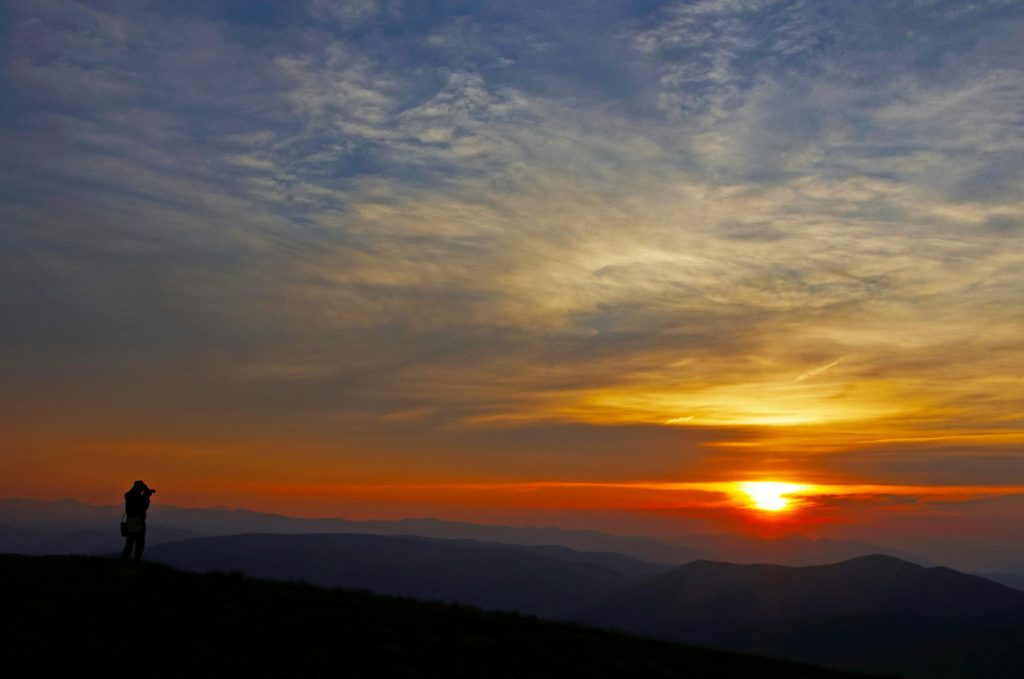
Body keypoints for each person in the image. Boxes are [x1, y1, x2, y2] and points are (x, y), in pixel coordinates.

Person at [121, 480, 155, 565]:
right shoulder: (136, 496)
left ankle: (124, 559)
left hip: (131, 521)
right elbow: (144, 507)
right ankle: (136, 560)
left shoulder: (130, 495)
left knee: (130, 542)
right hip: (137, 521)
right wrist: (146, 496)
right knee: (139, 543)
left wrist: (145, 494)